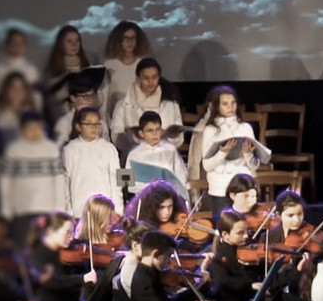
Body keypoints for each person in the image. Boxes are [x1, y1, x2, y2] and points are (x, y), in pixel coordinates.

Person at [197, 85, 270, 214]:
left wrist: (248, 154)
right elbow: (207, 166)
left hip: (243, 186)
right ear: (217, 106)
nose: (230, 107)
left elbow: (253, 166)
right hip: (221, 186)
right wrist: (223, 152)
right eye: (225, 104)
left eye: (233, 103)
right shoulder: (210, 130)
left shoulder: (245, 127)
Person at [0, 110, 69, 243]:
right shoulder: (14, 150)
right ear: (22, 129)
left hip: (47, 209)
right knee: (22, 247)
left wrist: (59, 209)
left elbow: (59, 182)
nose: (35, 131)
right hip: (21, 210)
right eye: (30, 128)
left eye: (38, 127)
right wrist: (6, 211)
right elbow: (5, 183)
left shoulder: (51, 149)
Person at [110, 58, 184, 156]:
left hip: (164, 158)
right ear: (138, 78)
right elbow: (116, 139)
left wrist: (166, 137)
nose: (150, 81)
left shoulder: (171, 105)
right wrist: (135, 137)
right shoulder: (122, 105)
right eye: (146, 78)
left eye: (154, 77)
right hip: (134, 158)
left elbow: (179, 139)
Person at [62, 107, 122, 215]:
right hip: (79, 211)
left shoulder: (109, 148)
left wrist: (118, 210)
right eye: (89, 124)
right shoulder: (69, 150)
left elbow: (116, 180)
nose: (94, 128)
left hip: (104, 210)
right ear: (78, 127)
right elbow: (65, 183)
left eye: (97, 124)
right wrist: (69, 212)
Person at [0, 72, 36, 179]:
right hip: (2, 171)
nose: (17, 92)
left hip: (29, 171)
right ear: (5, 91)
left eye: (21, 88)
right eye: (13, 88)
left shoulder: (33, 114)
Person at [124, 110, 189, 196]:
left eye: (157, 130)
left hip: (167, 196)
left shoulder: (170, 150)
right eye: (150, 130)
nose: (155, 134)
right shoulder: (133, 154)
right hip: (145, 198)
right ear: (141, 133)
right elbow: (129, 183)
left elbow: (182, 175)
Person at [100, 21, 152, 123]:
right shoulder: (109, 65)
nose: (130, 42)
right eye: (126, 38)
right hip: (115, 118)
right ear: (119, 40)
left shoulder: (142, 64)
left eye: (133, 38)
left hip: (138, 118)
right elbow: (104, 97)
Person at [0, 28, 42, 115]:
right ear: (7, 45)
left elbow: (37, 98)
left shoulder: (31, 70)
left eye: (21, 43)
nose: (17, 46)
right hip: (2, 116)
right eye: (14, 43)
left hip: (26, 117)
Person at [42, 25, 93, 125]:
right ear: (61, 44)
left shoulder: (87, 65)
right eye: (69, 41)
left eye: (77, 40)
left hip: (86, 120)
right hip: (61, 119)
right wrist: (67, 91)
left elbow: (99, 99)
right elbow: (48, 102)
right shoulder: (53, 69)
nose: (74, 44)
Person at [52, 70, 110, 146]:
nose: (90, 101)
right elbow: (59, 149)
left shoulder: (101, 123)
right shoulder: (64, 123)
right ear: (73, 98)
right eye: (86, 97)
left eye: (92, 96)